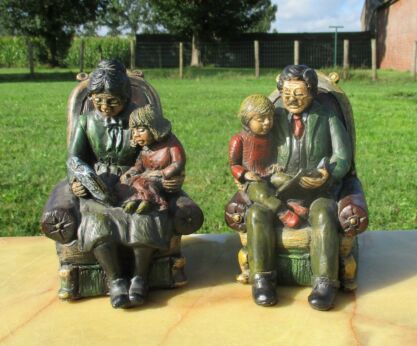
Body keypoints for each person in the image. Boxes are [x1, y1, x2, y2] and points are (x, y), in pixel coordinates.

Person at [68, 60, 178, 309]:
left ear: (125, 96)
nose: (105, 107)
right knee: (97, 222)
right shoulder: (86, 122)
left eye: (112, 101)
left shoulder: (139, 118)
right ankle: (115, 280)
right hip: (99, 182)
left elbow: (163, 148)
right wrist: (78, 181)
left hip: (135, 180)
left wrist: (167, 173)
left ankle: (140, 278)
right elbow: (74, 158)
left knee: (144, 216)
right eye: (99, 101)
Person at [246, 65, 352, 310]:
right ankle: (262, 278)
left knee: (324, 214)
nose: (291, 99)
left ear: (313, 93)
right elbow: (254, 148)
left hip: (318, 190)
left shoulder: (327, 117)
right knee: (256, 213)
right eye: (286, 94)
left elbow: (343, 157)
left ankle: (325, 282)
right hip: (279, 189)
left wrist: (327, 173)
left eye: (299, 94)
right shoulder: (272, 118)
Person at [228, 94, 307, 228]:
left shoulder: (271, 137)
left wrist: (275, 166)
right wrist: (245, 174)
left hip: (269, 174)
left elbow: (275, 155)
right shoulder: (239, 140)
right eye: (261, 119)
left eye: (270, 118)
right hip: (253, 181)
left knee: (287, 180)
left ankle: (292, 203)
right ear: (247, 120)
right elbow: (234, 165)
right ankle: (283, 212)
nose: (267, 122)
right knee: (261, 194)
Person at [121, 104, 186, 214]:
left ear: (153, 128)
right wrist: (131, 172)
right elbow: (139, 164)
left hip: (162, 180)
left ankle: (149, 202)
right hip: (146, 176)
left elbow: (178, 162)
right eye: (134, 131)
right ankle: (133, 201)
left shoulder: (170, 142)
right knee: (126, 183)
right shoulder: (145, 147)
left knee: (146, 183)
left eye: (141, 130)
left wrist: (162, 173)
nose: (136, 135)